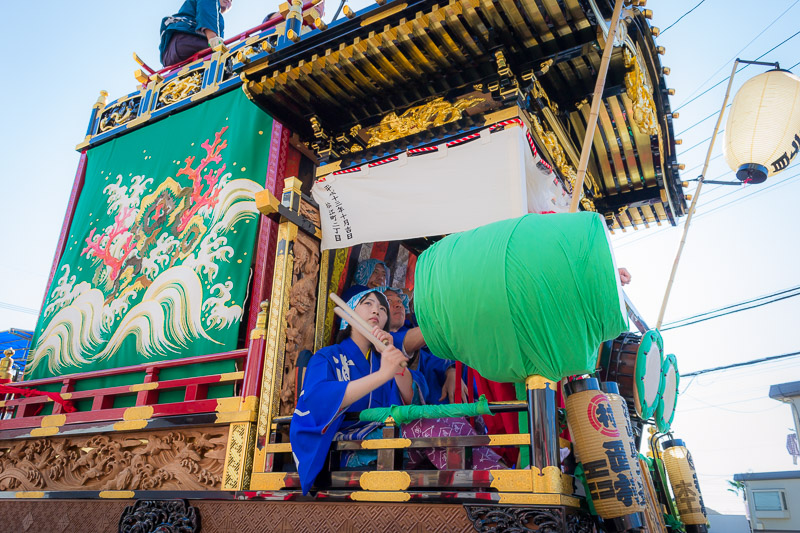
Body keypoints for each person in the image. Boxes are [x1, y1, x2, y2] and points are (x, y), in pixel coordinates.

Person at [382, 287, 464, 405]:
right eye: (389, 301)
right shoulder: (385, 340)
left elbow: (433, 360)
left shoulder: (411, 333)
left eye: (400, 301)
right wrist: (457, 316)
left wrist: (451, 370)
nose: (398, 305)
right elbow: (417, 336)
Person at [159, 0, 232, 67]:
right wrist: (212, 38)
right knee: (227, 59)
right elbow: (205, 8)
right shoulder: (212, 5)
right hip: (185, 40)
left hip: (170, 56)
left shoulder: (219, 20)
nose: (228, 0)